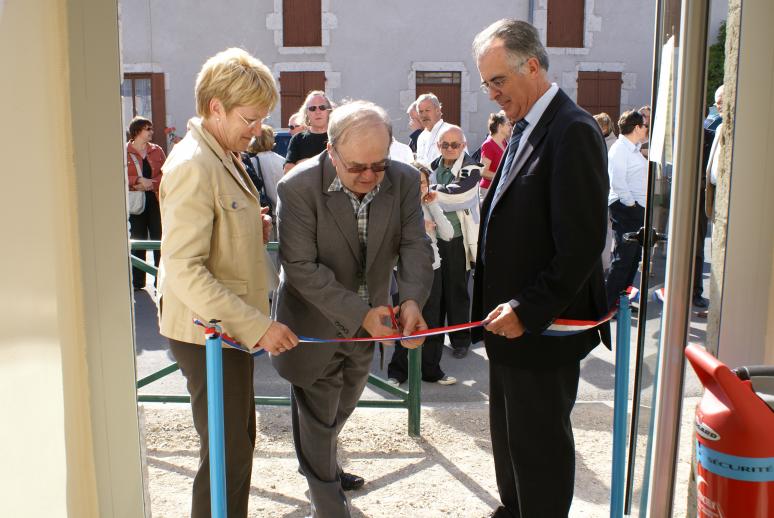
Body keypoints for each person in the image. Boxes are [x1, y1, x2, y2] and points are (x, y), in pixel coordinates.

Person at [472, 19, 610, 517]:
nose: (491, 94)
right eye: (486, 83)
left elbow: (580, 244)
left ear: (532, 65)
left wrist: (527, 310)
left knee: (540, 449)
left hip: (541, 329)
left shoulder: (571, 129)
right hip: (510, 328)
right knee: (512, 443)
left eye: (498, 81)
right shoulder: (527, 125)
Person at [273, 100, 433, 518]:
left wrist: (412, 299)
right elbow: (300, 268)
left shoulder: (400, 180)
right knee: (318, 416)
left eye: (378, 165)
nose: (369, 177)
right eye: (357, 167)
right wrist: (361, 312)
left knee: (340, 409)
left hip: (370, 326)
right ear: (331, 150)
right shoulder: (297, 188)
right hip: (313, 324)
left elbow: (415, 244)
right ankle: (328, 503)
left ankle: (321, 465)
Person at [157, 47, 299, 518]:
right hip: (211, 333)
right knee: (226, 453)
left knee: (235, 447)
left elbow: (214, 235)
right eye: (250, 117)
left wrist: (246, 228)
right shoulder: (194, 164)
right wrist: (257, 326)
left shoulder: (221, 152)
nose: (257, 129)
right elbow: (183, 268)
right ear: (215, 107)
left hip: (224, 331)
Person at [388, 161, 457, 386]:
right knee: (402, 320)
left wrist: (435, 207)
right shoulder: (394, 207)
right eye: (414, 182)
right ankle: (397, 372)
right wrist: (418, 226)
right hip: (404, 272)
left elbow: (448, 234)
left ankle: (432, 370)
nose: (419, 187)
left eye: (423, 182)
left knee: (434, 321)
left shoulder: (430, 205)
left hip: (433, 269)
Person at [429, 125, 481, 359]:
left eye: (455, 144)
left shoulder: (471, 168)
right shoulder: (432, 166)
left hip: (458, 239)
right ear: (438, 146)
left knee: (457, 290)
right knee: (435, 291)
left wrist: (430, 192)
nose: (450, 149)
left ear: (463, 146)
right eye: (445, 144)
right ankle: (436, 338)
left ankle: (461, 340)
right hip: (433, 237)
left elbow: (460, 197)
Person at [605, 110, 650, 310]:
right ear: (637, 127)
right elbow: (617, 181)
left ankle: (622, 300)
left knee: (632, 259)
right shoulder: (620, 149)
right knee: (623, 259)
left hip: (635, 208)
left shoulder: (632, 148)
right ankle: (607, 304)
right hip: (626, 208)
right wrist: (631, 204)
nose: (647, 129)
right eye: (645, 125)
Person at [694, 84, 724, 313]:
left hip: (702, 196)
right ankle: (693, 292)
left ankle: (695, 292)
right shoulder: (709, 132)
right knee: (694, 246)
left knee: (696, 247)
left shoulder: (712, 133)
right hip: (695, 195)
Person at [126, 115, 165, 290]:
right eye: (147, 129)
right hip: (136, 201)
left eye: (151, 129)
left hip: (155, 200)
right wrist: (137, 180)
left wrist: (151, 184)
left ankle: (160, 279)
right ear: (137, 131)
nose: (151, 132)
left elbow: (166, 173)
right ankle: (137, 282)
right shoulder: (124, 151)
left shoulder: (157, 151)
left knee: (159, 238)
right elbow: (119, 175)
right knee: (138, 239)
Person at [284, 90, 333, 173]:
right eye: (312, 108)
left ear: (328, 111)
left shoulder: (337, 136)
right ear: (306, 113)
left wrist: (304, 162)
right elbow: (287, 170)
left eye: (322, 107)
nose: (318, 112)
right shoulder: (298, 139)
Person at [593, 112, 617, 272]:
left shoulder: (611, 145)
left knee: (606, 230)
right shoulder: (601, 141)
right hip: (598, 191)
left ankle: (603, 264)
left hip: (605, 193)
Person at [479, 112, 512, 198]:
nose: (510, 127)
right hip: (488, 190)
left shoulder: (504, 142)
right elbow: (483, 172)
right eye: (508, 124)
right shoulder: (488, 145)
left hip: (499, 189)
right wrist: (504, 177)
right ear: (500, 126)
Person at [415, 93, 451, 166]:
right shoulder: (421, 136)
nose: (424, 115)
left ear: (437, 110)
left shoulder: (451, 132)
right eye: (420, 112)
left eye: (427, 110)